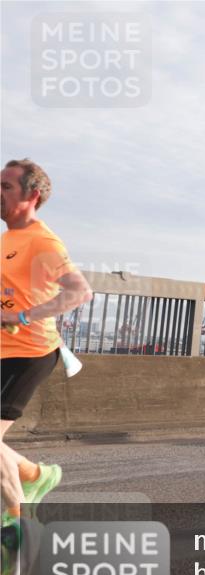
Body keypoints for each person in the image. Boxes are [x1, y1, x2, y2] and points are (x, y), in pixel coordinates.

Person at [1, 159, 93, 523]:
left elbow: (79, 292)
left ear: (32, 195)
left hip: (28, 353)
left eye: (6, 186)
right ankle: (35, 475)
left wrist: (23, 317)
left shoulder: (42, 241)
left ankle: (18, 524)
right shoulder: (9, 239)